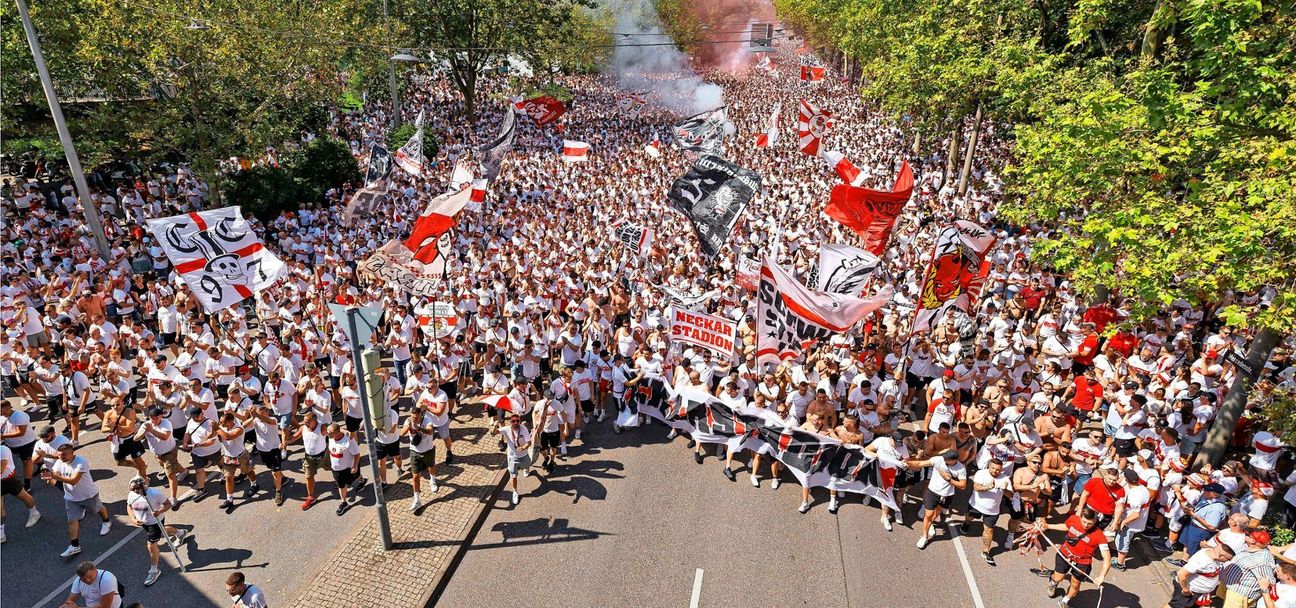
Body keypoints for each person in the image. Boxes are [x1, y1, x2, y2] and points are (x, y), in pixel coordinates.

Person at [44, 443, 111, 558]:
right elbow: (55, 476)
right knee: (72, 520)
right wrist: (50, 479)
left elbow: (74, 480)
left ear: (72, 453)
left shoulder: (81, 462)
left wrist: (55, 477)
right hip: (71, 497)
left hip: (87, 495)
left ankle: (106, 521)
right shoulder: (60, 462)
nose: (61, 457)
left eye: (64, 455)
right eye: (59, 455)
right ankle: (75, 545)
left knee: (98, 509)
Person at [1041, 507, 1111, 607]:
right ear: (1080, 517)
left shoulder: (1100, 536)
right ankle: (1053, 582)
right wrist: (1048, 526)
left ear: (1095, 521)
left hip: (1082, 563)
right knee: (1059, 577)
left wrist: (1102, 576)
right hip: (1065, 554)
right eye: (1084, 521)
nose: (1086, 525)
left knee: (1075, 584)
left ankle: (1065, 600)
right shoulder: (1073, 519)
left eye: (1090, 523)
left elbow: (1107, 558)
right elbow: (1066, 526)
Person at [124, 475, 186, 586]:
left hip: (155, 522)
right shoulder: (132, 494)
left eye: (138, 488)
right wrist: (133, 519)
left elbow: (168, 504)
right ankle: (180, 533)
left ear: (143, 485)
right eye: (133, 489)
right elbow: (129, 506)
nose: (135, 491)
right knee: (162, 533)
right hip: (144, 523)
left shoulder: (154, 493)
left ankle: (153, 571)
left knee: (151, 545)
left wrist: (159, 511)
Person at [906, 449, 968, 549]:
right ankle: (925, 536)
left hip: (946, 495)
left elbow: (963, 485)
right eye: (944, 457)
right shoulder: (938, 459)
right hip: (932, 492)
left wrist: (948, 479)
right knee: (928, 514)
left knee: (936, 513)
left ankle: (930, 524)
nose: (944, 460)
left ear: (954, 460)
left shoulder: (960, 469)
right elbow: (921, 463)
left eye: (947, 459)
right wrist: (907, 463)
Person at [1219, 529, 1278, 608]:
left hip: (1238, 593)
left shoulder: (1262, 561)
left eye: (1248, 536)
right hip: (1229, 585)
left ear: (1253, 541)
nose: (1245, 535)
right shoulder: (1247, 546)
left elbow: (1269, 580)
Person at [1165, 543, 1235, 608]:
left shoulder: (1212, 552)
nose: (1227, 561)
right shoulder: (1202, 561)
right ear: (1220, 556)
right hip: (1190, 591)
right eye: (1228, 559)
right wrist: (1185, 589)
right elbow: (1181, 574)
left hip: (1199, 593)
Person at [1, 442, 41, 542]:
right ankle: (1, 533)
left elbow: (1, 468)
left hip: (9, 480)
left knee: (23, 496)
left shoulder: (3, 450)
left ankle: (34, 513)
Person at [405, 402, 440, 512]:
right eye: (412, 417)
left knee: (431, 465)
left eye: (416, 417)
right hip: (414, 451)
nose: (414, 419)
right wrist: (409, 426)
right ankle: (417, 499)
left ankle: (432, 479)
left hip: (428, 450)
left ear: (421, 415)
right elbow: (401, 433)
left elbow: (430, 432)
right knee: (415, 476)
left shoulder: (428, 421)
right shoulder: (409, 421)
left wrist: (419, 429)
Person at [326, 422, 363, 515]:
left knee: (356, 476)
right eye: (328, 433)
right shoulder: (331, 438)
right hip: (336, 469)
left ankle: (362, 480)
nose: (327, 435)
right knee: (341, 485)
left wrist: (354, 466)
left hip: (349, 467)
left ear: (337, 432)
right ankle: (344, 502)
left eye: (330, 433)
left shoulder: (349, 441)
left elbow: (357, 454)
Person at [501, 413, 533, 505]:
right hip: (512, 457)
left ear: (520, 421)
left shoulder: (524, 429)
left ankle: (525, 468)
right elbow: (493, 432)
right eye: (513, 421)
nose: (515, 423)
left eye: (517, 421)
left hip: (523, 455)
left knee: (527, 464)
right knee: (513, 475)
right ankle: (515, 492)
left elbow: (529, 442)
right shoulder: (506, 430)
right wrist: (494, 427)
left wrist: (523, 448)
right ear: (510, 422)